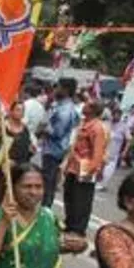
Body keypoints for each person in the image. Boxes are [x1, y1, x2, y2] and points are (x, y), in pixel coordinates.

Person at [62, 100, 109, 235]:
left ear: (93, 110)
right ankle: (70, 224)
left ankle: (78, 228)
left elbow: (98, 152)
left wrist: (91, 170)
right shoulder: (84, 124)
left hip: (85, 168)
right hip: (73, 166)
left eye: (87, 105)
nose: (84, 106)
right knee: (70, 196)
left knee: (81, 199)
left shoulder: (97, 128)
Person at [40, 78, 79, 210]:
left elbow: (58, 131)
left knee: (48, 184)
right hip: (54, 149)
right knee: (48, 183)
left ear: (66, 90)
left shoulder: (65, 110)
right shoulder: (61, 105)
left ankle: (44, 212)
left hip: (54, 150)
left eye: (58, 87)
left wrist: (44, 128)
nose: (56, 89)